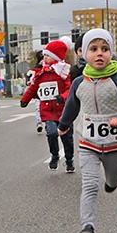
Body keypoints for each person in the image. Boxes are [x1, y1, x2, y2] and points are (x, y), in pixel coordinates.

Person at [59, 29, 117, 233]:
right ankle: (87, 228)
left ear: (111, 53)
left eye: (105, 49)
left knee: (112, 181)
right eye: (93, 49)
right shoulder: (79, 83)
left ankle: (113, 182)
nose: (99, 54)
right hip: (88, 144)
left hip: (114, 145)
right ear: (84, 53)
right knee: (90, 185)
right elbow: (71, 107)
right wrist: (63, 125)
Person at [20, 40, 76, 172]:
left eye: (48, 55)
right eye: (44, 55)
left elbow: (70, 89)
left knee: (67, 138)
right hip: (47, 110)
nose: (44, 57)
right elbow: (33, 88)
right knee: (51, 133)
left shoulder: (64, 72)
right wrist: (25, 99)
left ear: (56, 57)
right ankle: (55, 155)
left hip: (63, 111)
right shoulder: (41, 73)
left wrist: (62, 97)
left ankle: (69, 159)